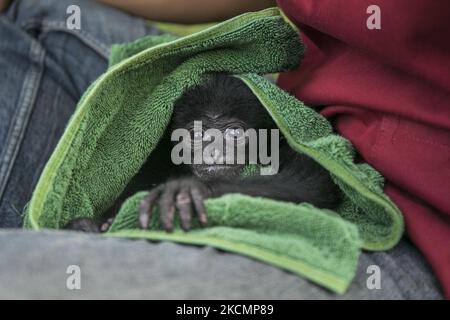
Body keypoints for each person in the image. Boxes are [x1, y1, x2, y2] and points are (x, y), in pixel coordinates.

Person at [0, 0, 445, 299]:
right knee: (34, 13)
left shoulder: (279, 158)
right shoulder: (175, 136)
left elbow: (314, 186)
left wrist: (219, 192)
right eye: (200, 139)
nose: (212, 152)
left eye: (227, 136)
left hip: (402, 231)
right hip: (310, 94)